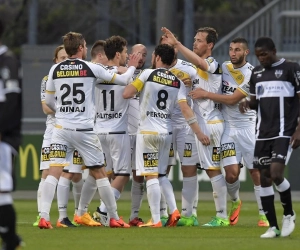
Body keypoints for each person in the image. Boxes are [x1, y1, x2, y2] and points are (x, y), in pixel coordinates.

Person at [39, 31, 140, 229]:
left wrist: (64, 111)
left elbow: (50, 101)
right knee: (100, 173)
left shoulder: (55, 70)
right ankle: (113, 216)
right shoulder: (90, 67)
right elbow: (122, 80)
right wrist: (133, 67)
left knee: (54, 172)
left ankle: (44, 216)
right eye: (84, 46)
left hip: (60, 128)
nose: (86, 48)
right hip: (84, 129)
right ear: (80, 48)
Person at [123, 44, 209, 227]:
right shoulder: (177, 82)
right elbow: (185, 109)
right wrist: (199, 133)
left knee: (151, 176)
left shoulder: (147, 74)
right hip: (166, 133)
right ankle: (174, 210)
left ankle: (155, 220)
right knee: (161, 175)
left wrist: (135, 85)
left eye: (153, 55)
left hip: (148, 132)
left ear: (159, 58)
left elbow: (127, 93)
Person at [189, 37, 269, 227]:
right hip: (227, 128)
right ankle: (236, 201)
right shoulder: (223, 67)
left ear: (246, 53)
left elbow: (233, 100)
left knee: (255, 173)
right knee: (231, 174)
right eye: (231, 50)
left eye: (237, 50)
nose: (233, 53)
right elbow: (207, 77)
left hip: (248, 127)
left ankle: (263, 215)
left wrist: (206, 94)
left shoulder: (252, 74)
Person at [161, 27, 228, 226]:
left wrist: (177, 44)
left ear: (210, 45)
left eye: (199, 40)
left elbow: (200, 63)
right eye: (194, 39)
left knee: (213, 170)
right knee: (209, 169)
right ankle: (190, 215)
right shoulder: (196, 71)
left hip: (210, 123)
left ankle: (222, 216)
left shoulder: (212, 64)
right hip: (202, 123)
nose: (195, 43)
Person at [246, 37, 300, 238]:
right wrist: (246, 104)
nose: (261, 58)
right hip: (262, 133)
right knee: (264, 179)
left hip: (284, 131)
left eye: (264, 54)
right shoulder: (256, 73)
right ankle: (273, 227)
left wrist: (299, 129)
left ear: (274, 51)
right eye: (258, 55)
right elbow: (255, 101)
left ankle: (289, 214)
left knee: (276, 174)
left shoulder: (291, 68)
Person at [33, 45, 84, 228]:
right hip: (54, 130)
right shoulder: (48, 78)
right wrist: (66, 111)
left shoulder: (80, 76)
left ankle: (78, 213)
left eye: (65, 57)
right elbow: (46, 107)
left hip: (73, 129)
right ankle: (43, 215)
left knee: (76, 174)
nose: (64, 61)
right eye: (61, 58)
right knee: (47, 172)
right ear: (56, 60)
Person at [92, 35, 133, 226]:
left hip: (99, 129)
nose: (126, 56)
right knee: (123, 174)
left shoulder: (98, 72)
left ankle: (87, 211)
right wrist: (132, 67)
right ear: (118, 54)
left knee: (104, 174)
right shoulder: (125, 74)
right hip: (118, 131)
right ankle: (103, 210)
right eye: (125, 52)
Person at [159, 36, 199, 226]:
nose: (169, 49)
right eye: (165, 46)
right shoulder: (154, 71)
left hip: (185, 125)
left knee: (188, 168)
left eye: (171, 45)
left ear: (176, 48)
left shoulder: (189, 69)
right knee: (162, 170)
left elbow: (200, 94)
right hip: (164, 125)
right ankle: (164, 213)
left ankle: (189, 214)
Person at [0, 18, 23, 249]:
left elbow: (12, 102)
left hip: (3, 138)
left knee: (1, 192)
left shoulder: (7, 61)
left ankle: (11, 241)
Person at [127, 44, 148, 226]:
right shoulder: (121, 73)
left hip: (139, 132)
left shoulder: (148, 75)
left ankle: (134, 215)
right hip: (120, 132)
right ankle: (106, 212)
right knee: (111, 174)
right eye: (137, 53)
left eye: (144, 54)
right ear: (129, 55)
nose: (140, 57)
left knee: (138, 175)